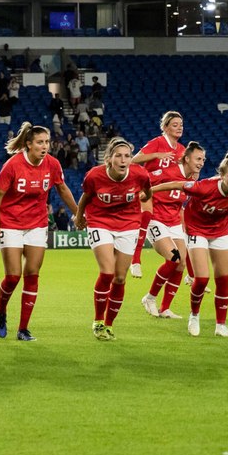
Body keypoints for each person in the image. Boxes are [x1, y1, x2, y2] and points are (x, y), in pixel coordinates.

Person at [0, 122, 79, 341]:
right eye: (40, 142)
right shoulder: (13, 165)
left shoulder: (52, 164)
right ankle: (1, 310)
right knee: (13, 276)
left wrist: (78, 212)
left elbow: (62, 188)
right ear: (29, 144)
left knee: (32, 273)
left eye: (47, 142)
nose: (45, 146)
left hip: (37, 224)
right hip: (11, 222)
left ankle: (23, 329)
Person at [151, 153, 228, 337]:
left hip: (220, 232)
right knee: (202, 278)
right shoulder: (204, 187)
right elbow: (176, 184)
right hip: (196, 229)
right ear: (222, 176)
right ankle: (194, 316)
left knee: (223, 278)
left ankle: (221, 325)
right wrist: (150, 191)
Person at [74, 137, 152, 341]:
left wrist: (145, 197)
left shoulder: (139, 174)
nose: (124, 159)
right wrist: (79, 215)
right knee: (107, 272)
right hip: (100, 221)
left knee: (120, 277)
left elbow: (147, 190)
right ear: (109, 159)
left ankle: (109, 324)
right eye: (119, 156)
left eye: (127, 156)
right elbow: (86, 196)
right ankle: (98, 320)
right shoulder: (94, 176)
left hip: (128, 225)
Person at [139, 141, 206, 320]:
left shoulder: (192, 179)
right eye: (198, 159)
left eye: (203, 159)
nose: (201, 162)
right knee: (173, 258)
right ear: (186, 158)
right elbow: (144, 181)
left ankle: (165, 308)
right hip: (157, 220)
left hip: (174, 221)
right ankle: (150, 298)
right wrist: (140, 201)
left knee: (182, 263)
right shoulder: (167, 172)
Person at [129, 111, 186, 278]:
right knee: (146, 214)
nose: (179, 128)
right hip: (148, 189)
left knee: (184, 233)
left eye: (181, 125)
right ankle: (136, 260)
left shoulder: (182, 150)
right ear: (165, 127)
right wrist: (156, 155)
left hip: (167, 196)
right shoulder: (157, 142)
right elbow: (133, 160)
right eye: (175, 125)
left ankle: (191, 274)